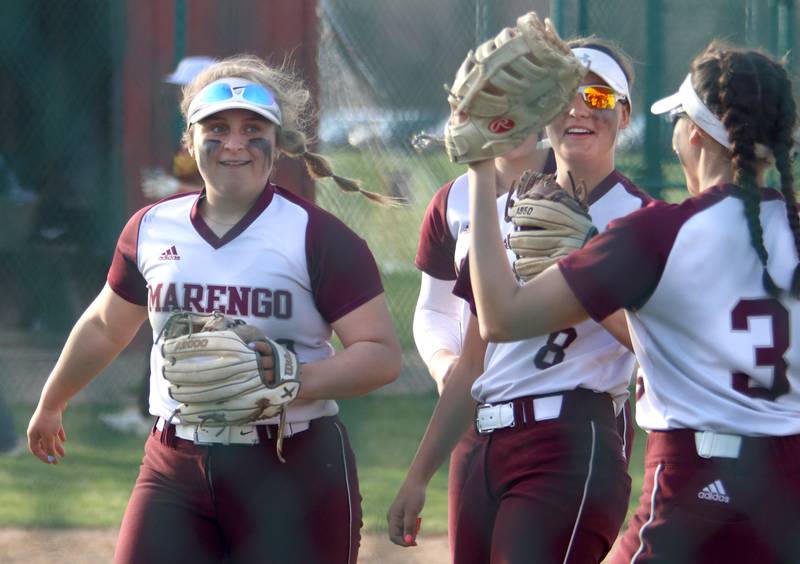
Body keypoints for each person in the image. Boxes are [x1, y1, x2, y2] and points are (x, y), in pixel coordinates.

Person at [27, 54, 402, 564]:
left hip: (293, 464)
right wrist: (53, 401)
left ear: (279, 142)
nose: (234, 143)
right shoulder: (152, 228)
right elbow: (103, 325)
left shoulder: (318, 236)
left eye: (254, 129)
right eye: (217, 127)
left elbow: (381, 354)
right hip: (175, 462)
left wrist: (290, 380)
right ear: (189, 139)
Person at [465, 41, 800, 563]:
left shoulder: (657, 235)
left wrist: (480, 170)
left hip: (691, 488)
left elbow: (501, 317)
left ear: (694, 135)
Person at [389, 38, 650, 562]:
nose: (579, 107)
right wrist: (419, 474)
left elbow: (662, 349)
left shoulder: (643, 219)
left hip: (571, 439)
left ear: (624, 116)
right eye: (565, 95)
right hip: (484, 442)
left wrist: (586, 271)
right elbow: (474, 360)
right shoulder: (505, 209)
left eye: (598, 98)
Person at [412, 129, 553, 556]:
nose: (509, 121)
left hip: (565, 413)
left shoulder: (577, 184)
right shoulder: (452, 200)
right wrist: (442, 362)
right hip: (480, 408)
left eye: (523, 104)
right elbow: (434, 309)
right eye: (495, 107)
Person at [101, 56, 218, 436]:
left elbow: (225, 194)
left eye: (186, 86)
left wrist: (175, 190)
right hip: (184, 238)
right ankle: (149, 410)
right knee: (165, 327)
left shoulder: (219, 134)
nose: (177, 95)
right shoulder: (190, 130)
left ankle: (150, 411)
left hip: (211, 245)